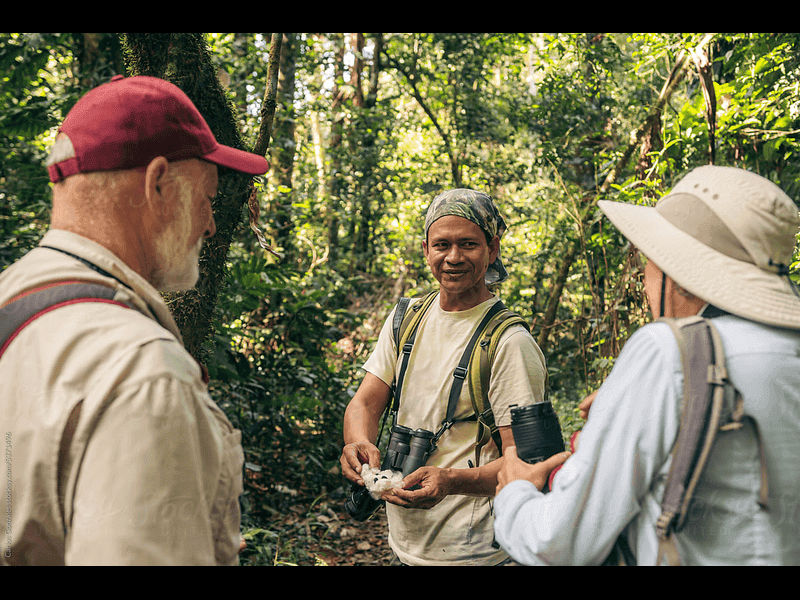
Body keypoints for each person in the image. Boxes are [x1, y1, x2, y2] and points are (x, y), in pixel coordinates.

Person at [0, 75, 269, 566]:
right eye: (207, 197)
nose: (210, 223)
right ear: (158, 182)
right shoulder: (142, 372)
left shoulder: (12, 301)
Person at [494, 165, 800, 566]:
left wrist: (514, 493)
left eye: (650, 263)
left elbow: (560, 542)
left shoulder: (669, 351)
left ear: (681, 276)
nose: (644, 278)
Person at [340, 189, 549, 566]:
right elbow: (366, 401)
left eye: (468, 244)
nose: (453, 257)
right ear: (426, 250)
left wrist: (451, 480)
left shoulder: (510, 342)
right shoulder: (407, 318)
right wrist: (357, 443)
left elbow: (531, 465)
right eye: (442, 245)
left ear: (493, 249)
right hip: (405, 544)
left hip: (475, 551)